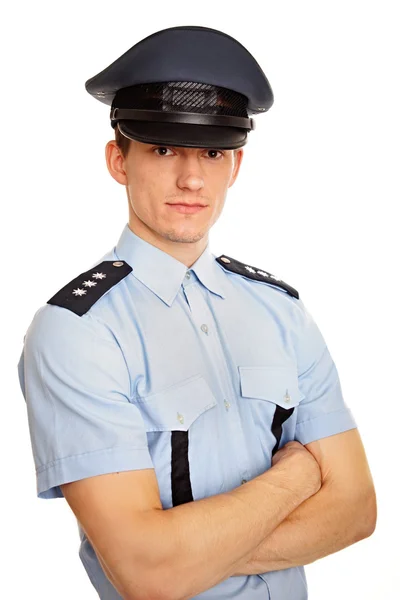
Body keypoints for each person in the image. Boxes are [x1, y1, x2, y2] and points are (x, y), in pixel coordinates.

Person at [17, 25, 376, 600]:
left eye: (212, 152)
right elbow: (147, 574)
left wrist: (186, 555)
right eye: (163, 149)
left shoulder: (280, 311)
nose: (191, 178)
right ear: (119, 160)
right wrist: (299, 475)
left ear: (236, 165)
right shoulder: (77, 332)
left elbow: (357, 510)